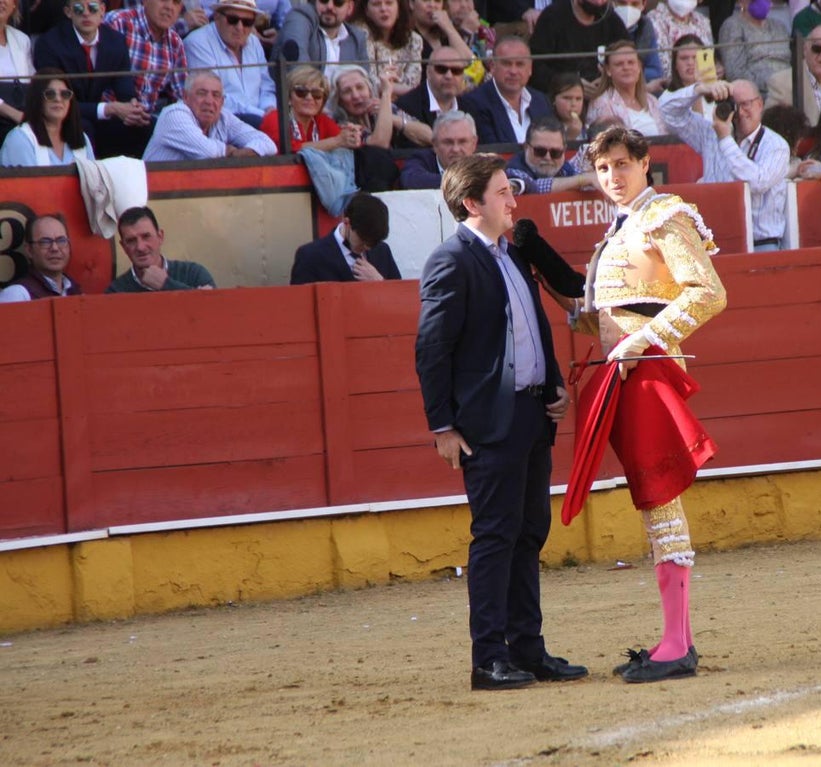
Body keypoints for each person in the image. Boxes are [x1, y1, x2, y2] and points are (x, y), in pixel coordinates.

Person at [414, 152, 585, 691]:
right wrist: (442, 426)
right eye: (503, 192)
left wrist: (552, 385)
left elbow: (532, 328)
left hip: (531, 414)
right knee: (495, 536)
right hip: (488, 423)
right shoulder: (452, 261)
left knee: (529, 532)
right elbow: (432, 349)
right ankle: (488, 658)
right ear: (472, 203)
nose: (514, 201)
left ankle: (527, 649)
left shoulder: (513, 254)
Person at [575, 126, 726, 683]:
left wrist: (645, 340)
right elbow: (614, 311)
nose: (612, 177)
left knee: (660, 499)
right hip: (628, 372)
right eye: (603, 168)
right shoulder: (623, 226)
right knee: (654, 502)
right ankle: (675, 640)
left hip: (649, 370)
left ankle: (676, 646)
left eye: (621, 164)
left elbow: (709, 292)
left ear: (644, 163)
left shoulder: (663, 215)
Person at [662, 77, 790, 250]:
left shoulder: (776, 145)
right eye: (734, 106)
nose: (740, 113)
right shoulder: (710, 133)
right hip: (716, 241)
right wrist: (700, 90)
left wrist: (725, 139)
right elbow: (666, 112)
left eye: (745, 104)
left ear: (760, 104)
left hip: (760, 245)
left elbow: (757, 183)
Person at [32, 0, 152, 158]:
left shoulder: (115, 41)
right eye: (78, 8)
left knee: (145, 125)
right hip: (62, 115)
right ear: (68, 12)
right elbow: (52, 99)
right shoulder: (50, 44)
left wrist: (133, 107)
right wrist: (109, 108)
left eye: (93, 8)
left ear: (102, 11)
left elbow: (125, 92)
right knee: (84, 127)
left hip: (97, 117)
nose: (86, 13)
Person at [144, 70, 276, 160]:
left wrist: (244, 152)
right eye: (202, 93)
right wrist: (231, 151)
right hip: (154, 191)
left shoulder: (224, 117)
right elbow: (207, 152)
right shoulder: (174, 114)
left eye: (216, 95)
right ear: (185, 97)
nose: (209, 101)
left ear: (222, 102)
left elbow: (268, 144)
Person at [184, 0, 276, 128]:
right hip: (221, 123)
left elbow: (267, 86)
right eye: (233, 20)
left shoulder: (254, 42)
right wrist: (263, 116)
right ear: (217, 16)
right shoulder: (197, 43)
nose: (240, 27)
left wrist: (269, 108)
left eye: (247, 22)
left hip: (259, 120)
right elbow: (214, 97)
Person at [458, 36, 553, 145]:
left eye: (520, 64)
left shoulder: (541, 101)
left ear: (530, 68)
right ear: (492, 66)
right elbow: (491, 150)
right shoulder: (474, 103)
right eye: (506, 64)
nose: (513, 71)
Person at [290, 192, 401, 283]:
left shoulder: (382, 251)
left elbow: (401, 297)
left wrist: (380, 282)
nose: (368, 247)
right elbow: (300, 300)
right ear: (347, 222)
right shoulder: (310, 256)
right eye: (363, 240)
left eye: (373, 242)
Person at [106, 0, 187, 118]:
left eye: (176, 2)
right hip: (110, 114)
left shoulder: (175, 43)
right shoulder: (118, 22)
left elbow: (182, 96)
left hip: (147, 119)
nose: (169, 7)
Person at [107, 207, 217, 293]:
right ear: (124, 247)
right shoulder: (117, 291)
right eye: (131, 241)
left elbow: (215, 308)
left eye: (146, 236)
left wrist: (165, 284)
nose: (140, 247)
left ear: (160, 237)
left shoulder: (193, 273)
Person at [0, 70, 96, 166]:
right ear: (36, 99)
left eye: (65, 94)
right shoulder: (20, 139)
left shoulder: (82, 138)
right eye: (50, 94)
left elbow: (92, 175)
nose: (58, 99)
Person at [528, 0, 629, 91]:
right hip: (562, 94)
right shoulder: (553, 16)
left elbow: (629, 53)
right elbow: (536, 66)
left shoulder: (610, 18)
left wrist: (607, 80)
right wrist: (571, 84)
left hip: (603, 92)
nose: (599, 3)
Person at [259, 65, 359, 152]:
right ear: (288, 97)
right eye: (301, 92)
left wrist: (352, 134)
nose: (309, 98)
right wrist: (337, 141)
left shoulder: (321, 120)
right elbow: (290, 150)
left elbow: (343, 139)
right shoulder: (275, 118)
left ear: (323, 100)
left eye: (317, 94)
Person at [331, 64, 429, 149]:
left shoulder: (381, 107)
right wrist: (386, 94)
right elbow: (380, 145)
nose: (356, 96)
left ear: (369, 90)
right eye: (347, 91)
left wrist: (390, 117)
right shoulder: (341, 125)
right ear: (339, 100)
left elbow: (429, 136)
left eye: (360, 87)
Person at [586, 40, 667, 137]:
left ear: (639, 67)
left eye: (631, 62)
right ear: (608, 70)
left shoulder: (652, 101)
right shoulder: (601, 103)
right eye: (619, 64)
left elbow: (665, 137)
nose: (626, 67)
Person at [273, 0, 368, 80]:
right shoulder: (300, 17)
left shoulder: (357, 38)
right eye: (324, 0)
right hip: (307, 95)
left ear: (350, 8)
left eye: (338, 2)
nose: (330, 6)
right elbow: (298, 70)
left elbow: (365, 82)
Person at [0, 214, 82, 303]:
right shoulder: (17, 295)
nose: (55, 248)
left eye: (61, 240)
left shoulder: (76, 292)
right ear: (29, 250)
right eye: (45, 242)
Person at [505, 116, 596, 194]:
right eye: (540, 151)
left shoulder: (565, 169)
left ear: (564, 150)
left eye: (555, 152)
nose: (548, 158)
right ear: (526, 147)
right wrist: (582, 180)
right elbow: (533, 186)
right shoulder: (512, 170)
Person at [350, 0, 423, 96]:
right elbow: (369, 82)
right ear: (366, 11)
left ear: (399, 9)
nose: (383, 9)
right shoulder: (360, 35)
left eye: (389, 3)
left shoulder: (414, 40)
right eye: (376, 4)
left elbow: (413, 85)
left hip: (405, 102)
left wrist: (388, 88)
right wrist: (394, 89)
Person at [718, 0, 791, 93]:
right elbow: (735, 73)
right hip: (759, 92)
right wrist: (775, 83)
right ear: (741, 2)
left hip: (789, 88)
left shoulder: (779, 27)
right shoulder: (733, 26)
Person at [399, 109, 478, 189]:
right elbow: (411, 180)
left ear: (474, 144)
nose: (455, 149)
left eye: (462, 142)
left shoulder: (483, 164)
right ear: (435, 145)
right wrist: (465, 182)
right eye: (448, 142)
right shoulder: (421, 159)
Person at [395, 45, 467, 134]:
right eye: (441, 69)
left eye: (456, 71)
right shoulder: (407, 106)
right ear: (428, 72)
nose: (449, 76)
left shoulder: (470, 108)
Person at [646, 0, 714, 83]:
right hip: (672, 87)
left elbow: (708, 59)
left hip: (704, 84)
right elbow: (664, 69)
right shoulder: (653, 19)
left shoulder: (702, 21)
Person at [408, 0, 472, 75]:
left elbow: (467, 61)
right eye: (425, 0)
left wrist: (448, 27)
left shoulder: (445, 31)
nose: (432, 5)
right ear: (411, 3)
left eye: (437, 1)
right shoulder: (406, 35)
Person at [658, 34, 715, 118]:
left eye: (695, 57)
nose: (690, 63)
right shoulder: (668, 99)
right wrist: (697, 89)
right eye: (684, 58)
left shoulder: (716, 93)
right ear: (675, 65)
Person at [0, 0, 32, 144]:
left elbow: (31, 81)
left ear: (14, 5)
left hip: (22, 110)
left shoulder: (22, 39)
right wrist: (16, 115)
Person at [614, 0, 662, 90]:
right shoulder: (603, 25)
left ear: (643, 4)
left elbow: (656, 72)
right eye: (622, 3)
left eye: (634, 4)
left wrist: (627, 73)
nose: (628, 9)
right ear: (613, 3)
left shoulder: (646, 26)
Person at [761, 103, 811, 179]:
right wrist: (797, 170)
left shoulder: (796, 162)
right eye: (797, 138)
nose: (799, 143)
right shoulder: (760, 160)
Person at [548, 71, 587, 142]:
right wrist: (569, 137)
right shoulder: (545, 129)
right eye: (567, 98)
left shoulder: (588, 129)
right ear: (554, 99)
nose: (573, 104)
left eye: (578, 99)